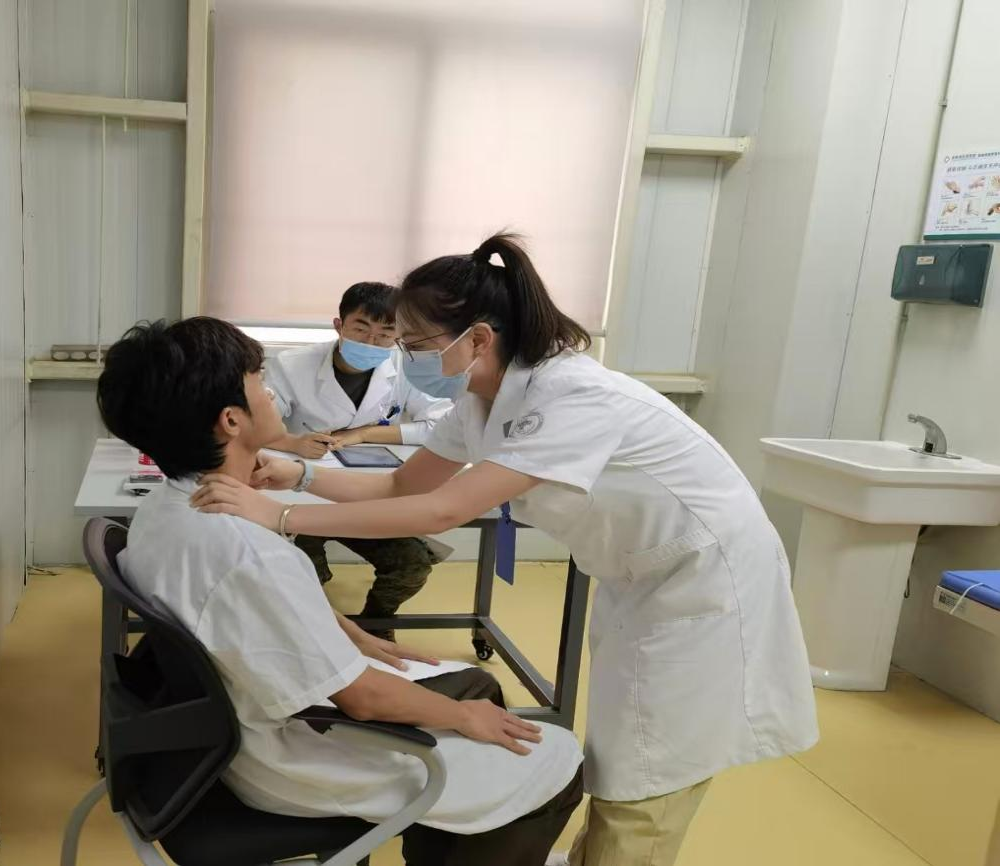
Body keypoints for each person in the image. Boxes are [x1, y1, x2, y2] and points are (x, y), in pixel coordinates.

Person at [190, 234, 821, 866]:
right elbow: (404, 485)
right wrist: (299, 475)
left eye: (415, 344)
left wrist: (282, 516)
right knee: (626, 750)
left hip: (705, 581)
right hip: (642, 579)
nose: (405, 357)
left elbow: (445, 509)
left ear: (479, 339)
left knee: (650, 771)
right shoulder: (480, 400)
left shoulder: (573, 396)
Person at [96, 317, 585, 866]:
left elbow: (249, 609)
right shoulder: (246, 552)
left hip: (226, 729)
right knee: (557, 757)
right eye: (258, 380)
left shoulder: (163, 510)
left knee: (476, 684)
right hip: (293, 756)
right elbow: (362, 698)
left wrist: (346, 631)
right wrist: (463, 718)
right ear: (231, 420)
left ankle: (445, 840)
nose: (270, 391)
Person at [264, 281, 453, 636]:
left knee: (411, 565)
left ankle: (374, 626)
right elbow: (257, 423)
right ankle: (319, 631)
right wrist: (292, 442)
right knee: (304, 571)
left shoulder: (406, 368)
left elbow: (442, 425)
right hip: (303, 492)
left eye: (385, 334)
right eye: (361, 329)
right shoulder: (291, 365)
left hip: (371, 493)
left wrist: (365, 434)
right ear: (339, 325)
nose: (372, 343)